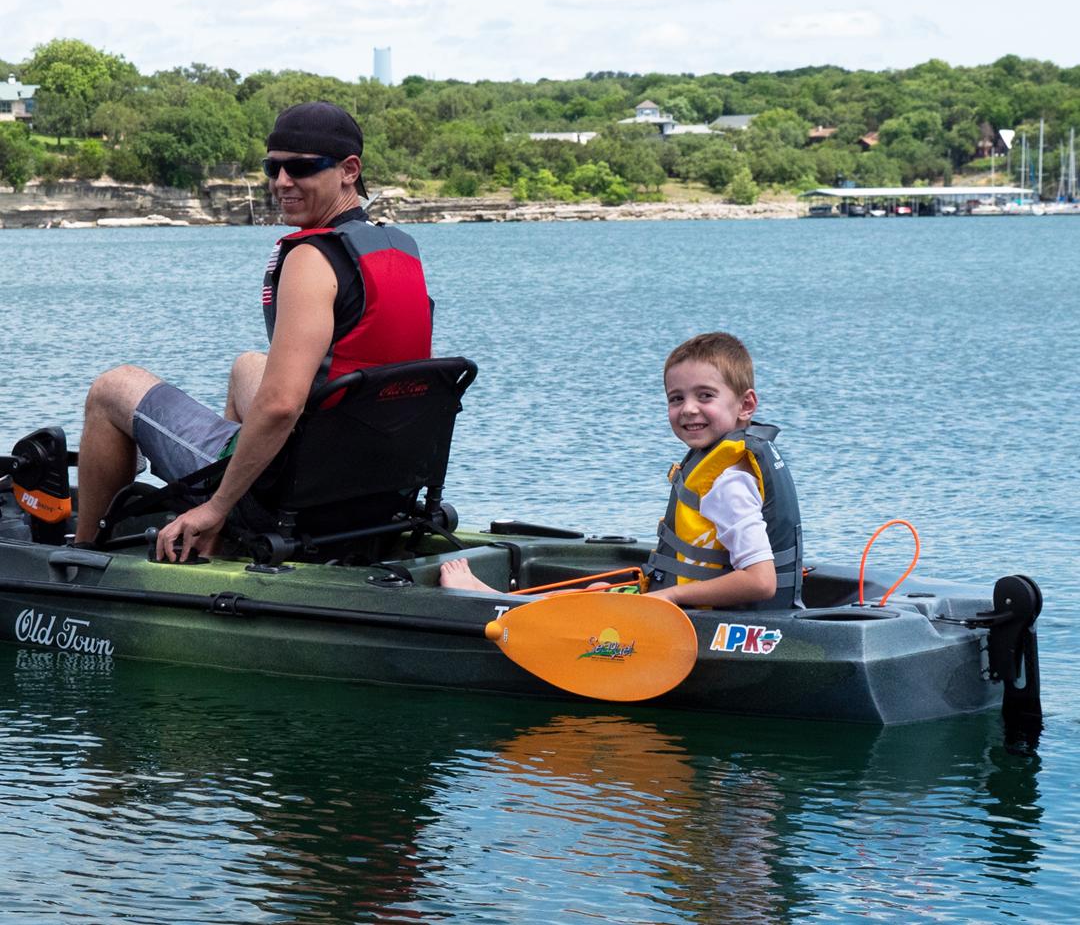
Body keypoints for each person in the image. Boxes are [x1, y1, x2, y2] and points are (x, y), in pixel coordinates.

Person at [74, 100, 433, 564]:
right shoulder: (400, 251)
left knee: (112, 388)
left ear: (349, 170)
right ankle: (228, 535)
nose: (282, 183)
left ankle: (83, 557)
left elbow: (283, 406)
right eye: (273, 167)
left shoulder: (312, 257)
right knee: (248, 365)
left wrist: (217, 505)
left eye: (301, 168)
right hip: (374, 488)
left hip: (302, 493)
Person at [440, 331, 802, 610]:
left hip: (706, 618)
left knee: (596, 609)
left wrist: (672, 596)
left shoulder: (728, 482)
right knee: (598, 592)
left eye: (705, 396)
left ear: (746, 405)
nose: (689, 409)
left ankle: (486, 599)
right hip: (691, 605)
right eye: (676, 398)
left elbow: (760, 582)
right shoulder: (724, 466)